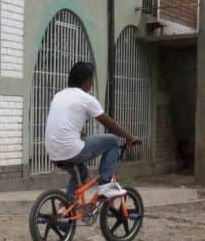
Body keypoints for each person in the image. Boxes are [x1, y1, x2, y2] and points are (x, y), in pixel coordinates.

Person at [44, 62, 140, 201]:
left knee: (82, 173)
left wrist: (79, 132)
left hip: (53, 152)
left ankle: (67, 209)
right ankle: (106, 185)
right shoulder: (86, 98)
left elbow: (62, 122)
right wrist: (129, 137)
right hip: (71, 150)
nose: (92, 84)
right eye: (92, 80)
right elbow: (110, 124)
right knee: (112, 140)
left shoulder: (59, 95)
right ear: (87, 80)